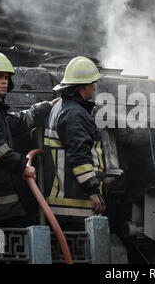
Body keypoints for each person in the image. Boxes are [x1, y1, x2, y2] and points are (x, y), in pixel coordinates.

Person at [0, 52, 59, 228]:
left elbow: (18, 121)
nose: (4, 81)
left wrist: (46, 107)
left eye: (6, 77)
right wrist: (22, 166)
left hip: (0, 207)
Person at [43, 56, 106, 231]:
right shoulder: (75, 114)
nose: (95, 87)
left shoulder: (61, 108)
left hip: (63, 201)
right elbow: (79, 156)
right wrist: (93, 191)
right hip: (74, 202)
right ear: (84, 86)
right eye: (93, 83)